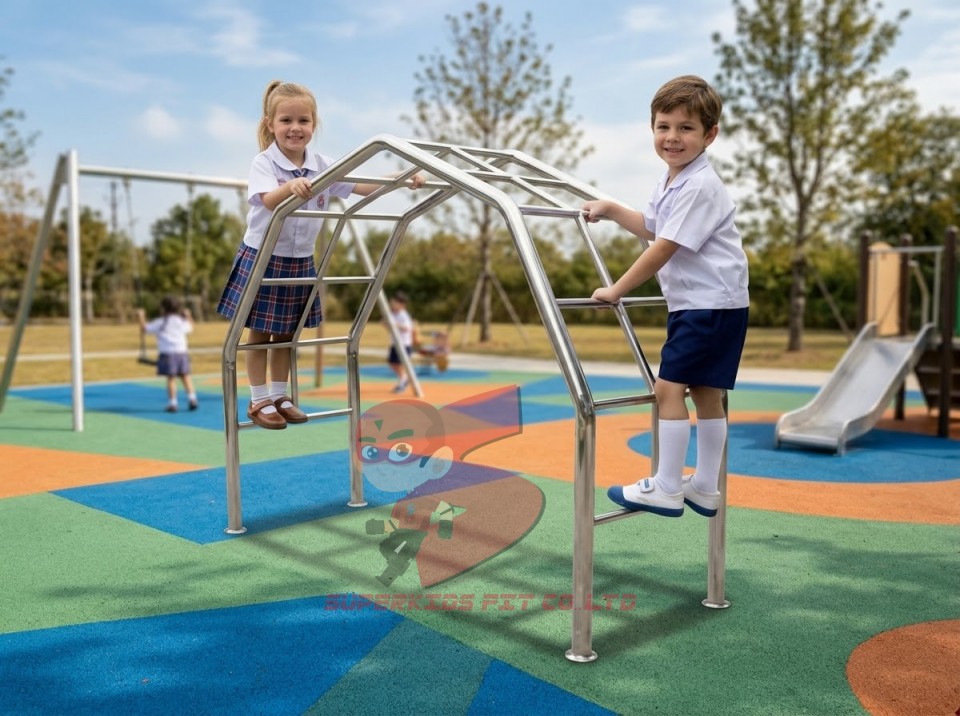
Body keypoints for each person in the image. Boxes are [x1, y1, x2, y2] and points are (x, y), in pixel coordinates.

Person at [582, 75, 749, 518]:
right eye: (663, 126)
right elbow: (653, 226)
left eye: (686, 128)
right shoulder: (673, 179)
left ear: (710, 135)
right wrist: (612, 209)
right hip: (712, 303)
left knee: (667, 390)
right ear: (652, 128)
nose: (672, 137)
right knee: (706, 392)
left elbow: (663, 247)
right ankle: (705, 486)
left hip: (706, 304)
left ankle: (668, 486)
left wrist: (616, 289)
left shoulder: (699, 185)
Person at [217, 80, 425, 430]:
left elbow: (362, 186)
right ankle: (258, 399)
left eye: (303, 120)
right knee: (260, 333)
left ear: (314, 124)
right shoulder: (264, 162)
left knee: (287, 334)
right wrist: (290, 187)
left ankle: (280, 395)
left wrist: (403, 177)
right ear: (270, 124)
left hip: (300, 260)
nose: (295, 128)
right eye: (286, 120)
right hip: (265, 256)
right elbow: (268, 200)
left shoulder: (323, 166)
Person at [137, 296, 199, 413]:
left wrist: (141, 316)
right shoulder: (181, 321)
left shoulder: (161, 322)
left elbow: (144, 329)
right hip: (182, 352)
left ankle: (173, 403)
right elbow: (191, 327)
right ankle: (192, 399)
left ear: (163, 308)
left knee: (171, 378)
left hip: (168, 353)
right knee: (185, 376)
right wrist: (188, 315)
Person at [386, 291, 415, 393]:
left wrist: (395, 325)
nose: (392, 304)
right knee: (392, 363)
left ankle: (403, 379)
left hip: (403, 344)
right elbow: (388, 325)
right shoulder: (392, 314)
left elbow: (407, 328)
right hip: (394, 343)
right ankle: (403, 378)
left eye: (395, 303)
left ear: (402, 304)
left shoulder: (403, 315)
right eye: (392, 302)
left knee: (400, 363)